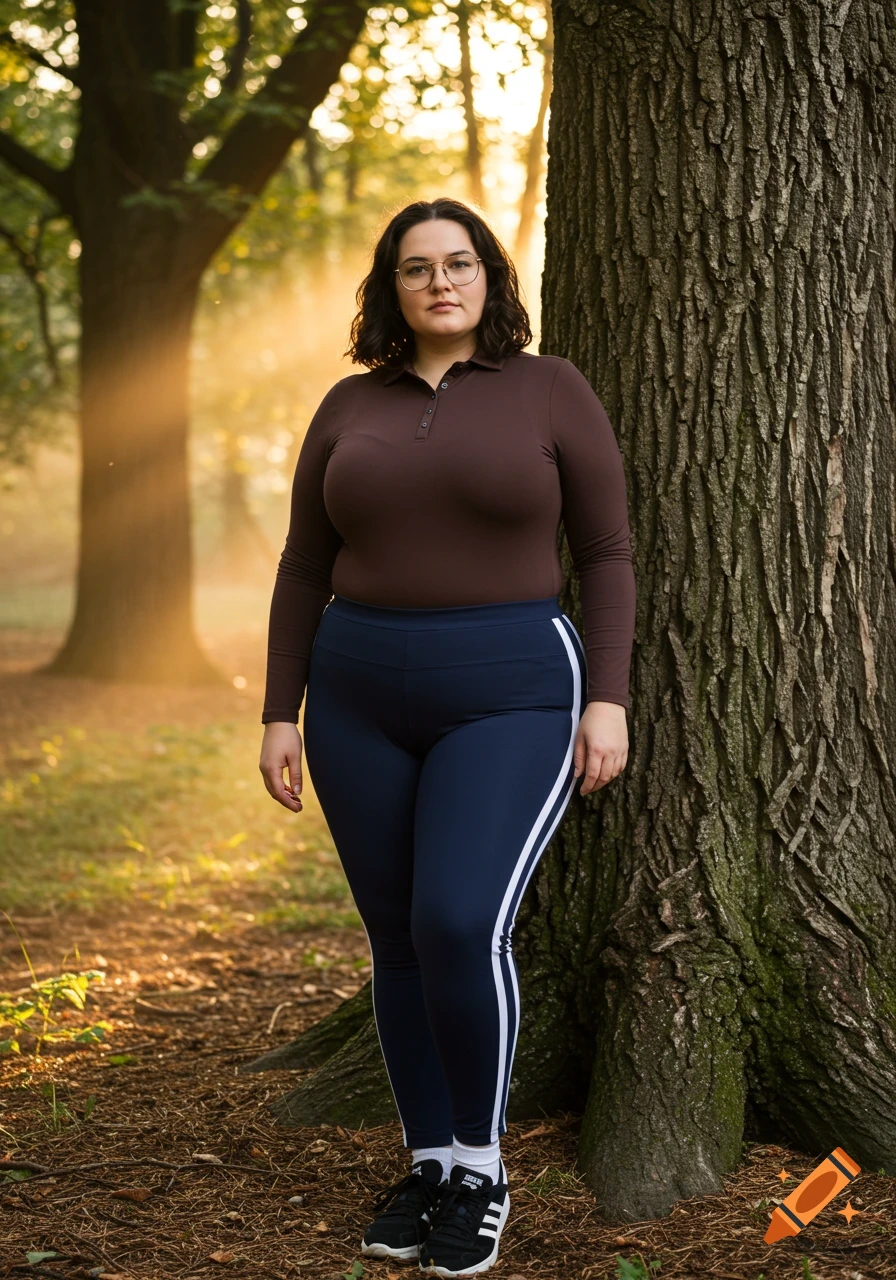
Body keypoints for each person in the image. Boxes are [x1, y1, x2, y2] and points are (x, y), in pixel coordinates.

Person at [259, 196, 636, 1278]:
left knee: (458, 917)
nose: (438, 281)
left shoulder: (548, 389)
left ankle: (482, 1168)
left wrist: (602, 696)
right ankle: (427, 1158)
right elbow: (300, 566)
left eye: (457, 262)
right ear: (390, 287)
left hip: (512, 689)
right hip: (355, 694)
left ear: (487, 276)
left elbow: (604, 549)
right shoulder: (345, 405)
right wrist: (278, 710)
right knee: (395, 936)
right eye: (416, 267)